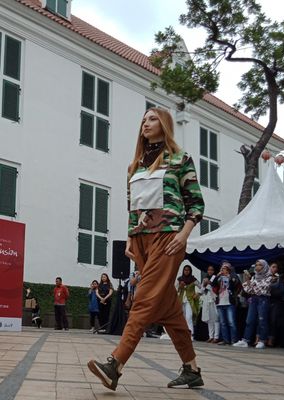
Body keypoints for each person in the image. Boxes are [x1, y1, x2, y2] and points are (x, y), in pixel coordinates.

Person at [87, 107, 205, 390]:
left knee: (143, 299)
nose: (145, 124)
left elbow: (196, 204)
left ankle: (115, 364)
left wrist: (184, 234)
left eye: (152, 119)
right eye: (143, 120)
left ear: (164, 124)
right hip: (141, 240)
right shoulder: (135, 166)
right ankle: (192, 369)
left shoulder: (180, 159)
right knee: (168, 309)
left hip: (169, 237)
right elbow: (132, 207)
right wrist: (130, 238)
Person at [233, 259, 272, 349]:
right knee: (249, 320)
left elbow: (262, 289)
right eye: (256, 265)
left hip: (263, 299)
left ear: (264, 266)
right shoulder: (254, 277)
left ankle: (262, 341)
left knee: (262, 320)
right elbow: (248, 290)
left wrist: (251, 284)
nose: (257, 267)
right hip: (254, 299)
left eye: (260, 265)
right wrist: (248, 281)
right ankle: (245, 340)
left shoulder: (268, 276)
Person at [212, 262, 241, 345]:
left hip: (229, 302)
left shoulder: (233, 276)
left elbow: (238, 285)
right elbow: (213, 285)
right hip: (220, 302)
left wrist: (230, 278)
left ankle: (234, 340)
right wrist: (217, 275)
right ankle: (225, 340)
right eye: (221, 268)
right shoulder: (219, 277)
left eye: (224, 268)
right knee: (223, 322)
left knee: (231, 322)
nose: (222, 269)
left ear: (228, 269)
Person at [176, 265, 201, 339]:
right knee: (182, 318)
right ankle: (183, 334)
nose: (186, 271)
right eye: (185, 270)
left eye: (188, 270)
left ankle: (191, 334)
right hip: (181, 300)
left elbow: (201, 286)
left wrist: (198, 293)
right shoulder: (180, 279)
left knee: (189, 317)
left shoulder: (193, 279)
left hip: (190, 300)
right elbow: (176, 289)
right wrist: (180, 286)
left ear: (190, 271)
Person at [199, 266, 219, 343]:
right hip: (207, 300)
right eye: (209, 270)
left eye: (212, 270)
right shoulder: (205, 278)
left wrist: (209, 283)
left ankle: (216, 337)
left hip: (214, 300)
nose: (210, 271)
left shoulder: (215, 278)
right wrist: (204, 284)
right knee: (209, 319)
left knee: (216, 319)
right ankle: (210, 336)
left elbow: (215, 288)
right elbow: (201, 291)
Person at [267, 262, 284, 347]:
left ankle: (271, 340)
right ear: (269, 268)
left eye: (276, 267)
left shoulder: (279, 278)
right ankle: (262, 339)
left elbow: (281, 291)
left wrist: (270, 292)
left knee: (273, 321)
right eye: (273, 267)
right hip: (266, 302)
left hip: (275, 302)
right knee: (263, 321)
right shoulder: (265, 277)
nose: (275, 269)